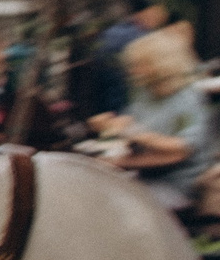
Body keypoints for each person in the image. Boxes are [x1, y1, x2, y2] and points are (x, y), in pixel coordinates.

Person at [89, 22, 211, 219]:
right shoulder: (146, 94)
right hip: (144, 179)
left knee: (115, 210)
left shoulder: (188, 100)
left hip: (179, 186)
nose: (133, 70)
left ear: (159, 64)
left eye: (140, 65)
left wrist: (132, 141)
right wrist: (110, 124)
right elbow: (129, 123)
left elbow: (182, 148)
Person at [89, 0, 171, 118]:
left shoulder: (110, 33)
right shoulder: (141, 38)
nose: (161, 17)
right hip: (127, 106)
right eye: (157, 12)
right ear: (146, 12)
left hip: (103, 104)